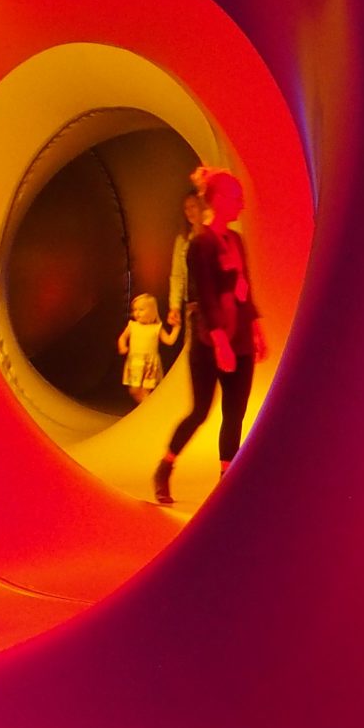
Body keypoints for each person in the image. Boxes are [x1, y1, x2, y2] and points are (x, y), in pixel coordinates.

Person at [152, 171, 266, 505]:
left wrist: (255, 328)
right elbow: (206, 296)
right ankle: (165, 467)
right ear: (217, 200)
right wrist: (219, 342)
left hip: (239, 337)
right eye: (236, 197)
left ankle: (226, 485)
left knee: (235, 414)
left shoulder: (236, 241)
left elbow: (245, 289)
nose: (241, 204)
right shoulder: (200, 244)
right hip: (210, 340)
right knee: (200, 411)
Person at [116, 293, 180, 404]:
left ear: (152, 311)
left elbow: (169, 341)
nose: (137, 313)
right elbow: (122, 338)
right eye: (135, 310)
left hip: (150, 365)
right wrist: (122, 346)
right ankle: (149, 406)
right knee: (134, 390)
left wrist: (176, 328)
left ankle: (148, 407)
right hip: (135, 363)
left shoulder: (156, 328)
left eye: (141, 310)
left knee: (145, 391)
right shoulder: (132, 325)